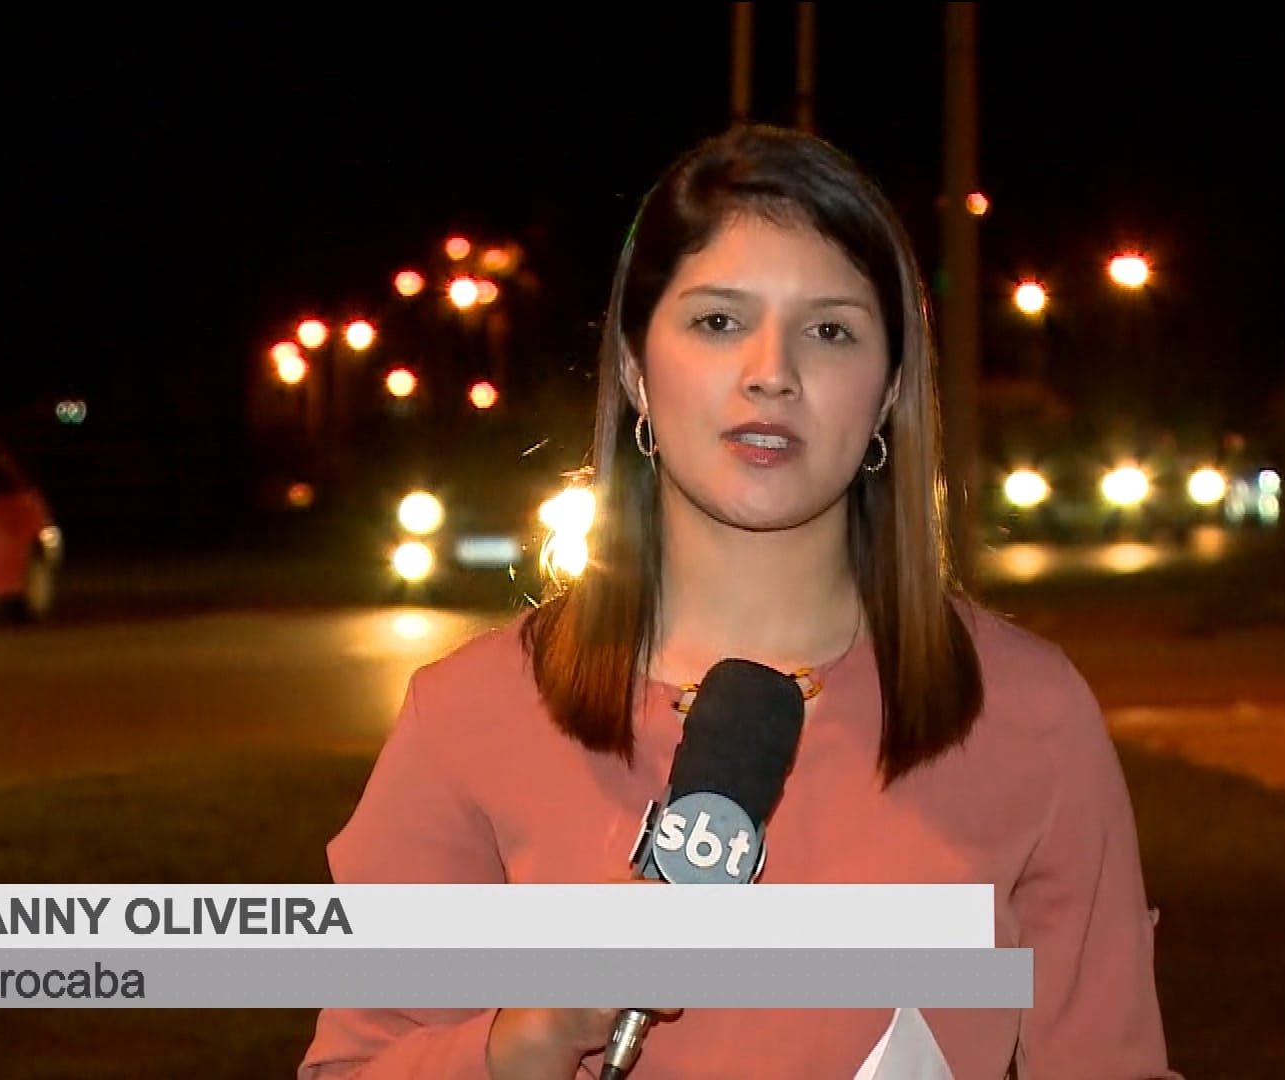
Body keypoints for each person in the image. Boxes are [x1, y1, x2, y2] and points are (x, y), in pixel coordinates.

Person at [299, 125, 1176, 1079]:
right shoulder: (468, 719)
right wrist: (528, 1039)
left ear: (888, 393)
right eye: (719, 321)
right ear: (636, 369)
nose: (772, 371)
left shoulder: (1028, 718)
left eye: (830, 330)